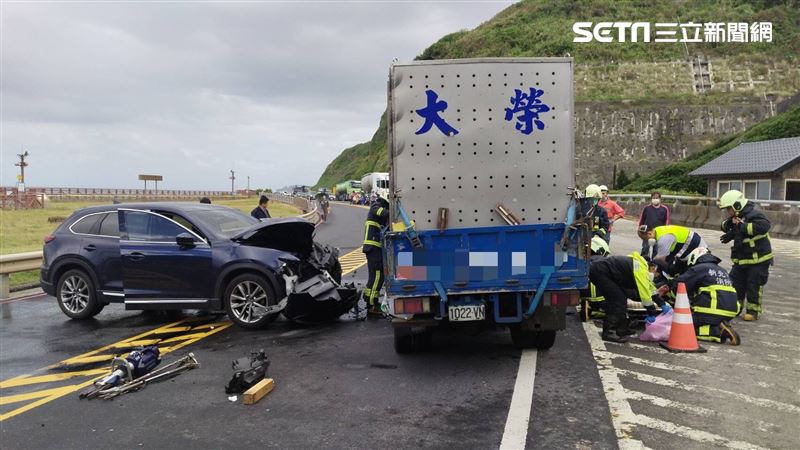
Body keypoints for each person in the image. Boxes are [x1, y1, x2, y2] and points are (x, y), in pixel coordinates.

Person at [664, 247, 741, 344]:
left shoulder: (698, 268)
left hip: (712, 310)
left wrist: (671, 299)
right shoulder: (722, 270)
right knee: (699, 321)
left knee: (683, 326)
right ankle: (719, 325)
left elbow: (680, 284)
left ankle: (718, 332)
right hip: (730, 311)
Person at [718, 189, 773, 321]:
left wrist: (742, 226)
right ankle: (735, 308)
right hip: (741, 260)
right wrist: (729, 232)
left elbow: (764, 226)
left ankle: (753, 311)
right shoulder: (738, 216)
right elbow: (727, 226)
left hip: (758, 261)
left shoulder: (755, 214)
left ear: (737, 206)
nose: (728, 212)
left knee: (754, 285)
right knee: (735, 284)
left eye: (728, 209)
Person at [589, 251, 665, 343]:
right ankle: (608, 332)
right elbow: (644, 293)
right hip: (601, 272)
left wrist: (662, 303)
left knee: (621, 299)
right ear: (653, 267)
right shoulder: (640, 269)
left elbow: (650, 288)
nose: (656, 276)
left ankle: (622, 329)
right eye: (656, 273)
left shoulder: (641, 266)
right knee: (617, 301)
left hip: (604, 272)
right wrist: (651, 311)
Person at [638, 224, 707, 276]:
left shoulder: (663, 239)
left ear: (649, 233)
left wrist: (652, 270)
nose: (646, 241)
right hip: (689, 244)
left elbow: (660, 259)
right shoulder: (657, 230)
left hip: (695, 246)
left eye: (645, 239)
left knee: (690, 270)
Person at [362, 196, 390, 316]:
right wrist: (392, 211)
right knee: (377, 276)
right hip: (373, 249)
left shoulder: (376, 217)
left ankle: (370, 301)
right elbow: (381, 212)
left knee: (375, 276)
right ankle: (372, 305)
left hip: (373, 249)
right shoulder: (375, 207)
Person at [579, 236, 611, 322]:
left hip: (582, 295)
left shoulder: (581, 259)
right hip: (600, 298)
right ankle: (594, 311)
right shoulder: (602, 262)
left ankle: (587, 306)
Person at [638, 192, 670, 259]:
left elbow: (666, 220)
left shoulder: (664, 209)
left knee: (656, 250)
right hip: (647, 232)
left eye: (657, 198)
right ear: (651, 199)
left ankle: (653, 263)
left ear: (660, 199)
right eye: (654, 198)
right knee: (645, 248)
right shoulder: (647, 208)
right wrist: (640, 229)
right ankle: (643, 261)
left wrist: (665, 232)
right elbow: (642, 219)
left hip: (658, 233)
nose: (655, 199)